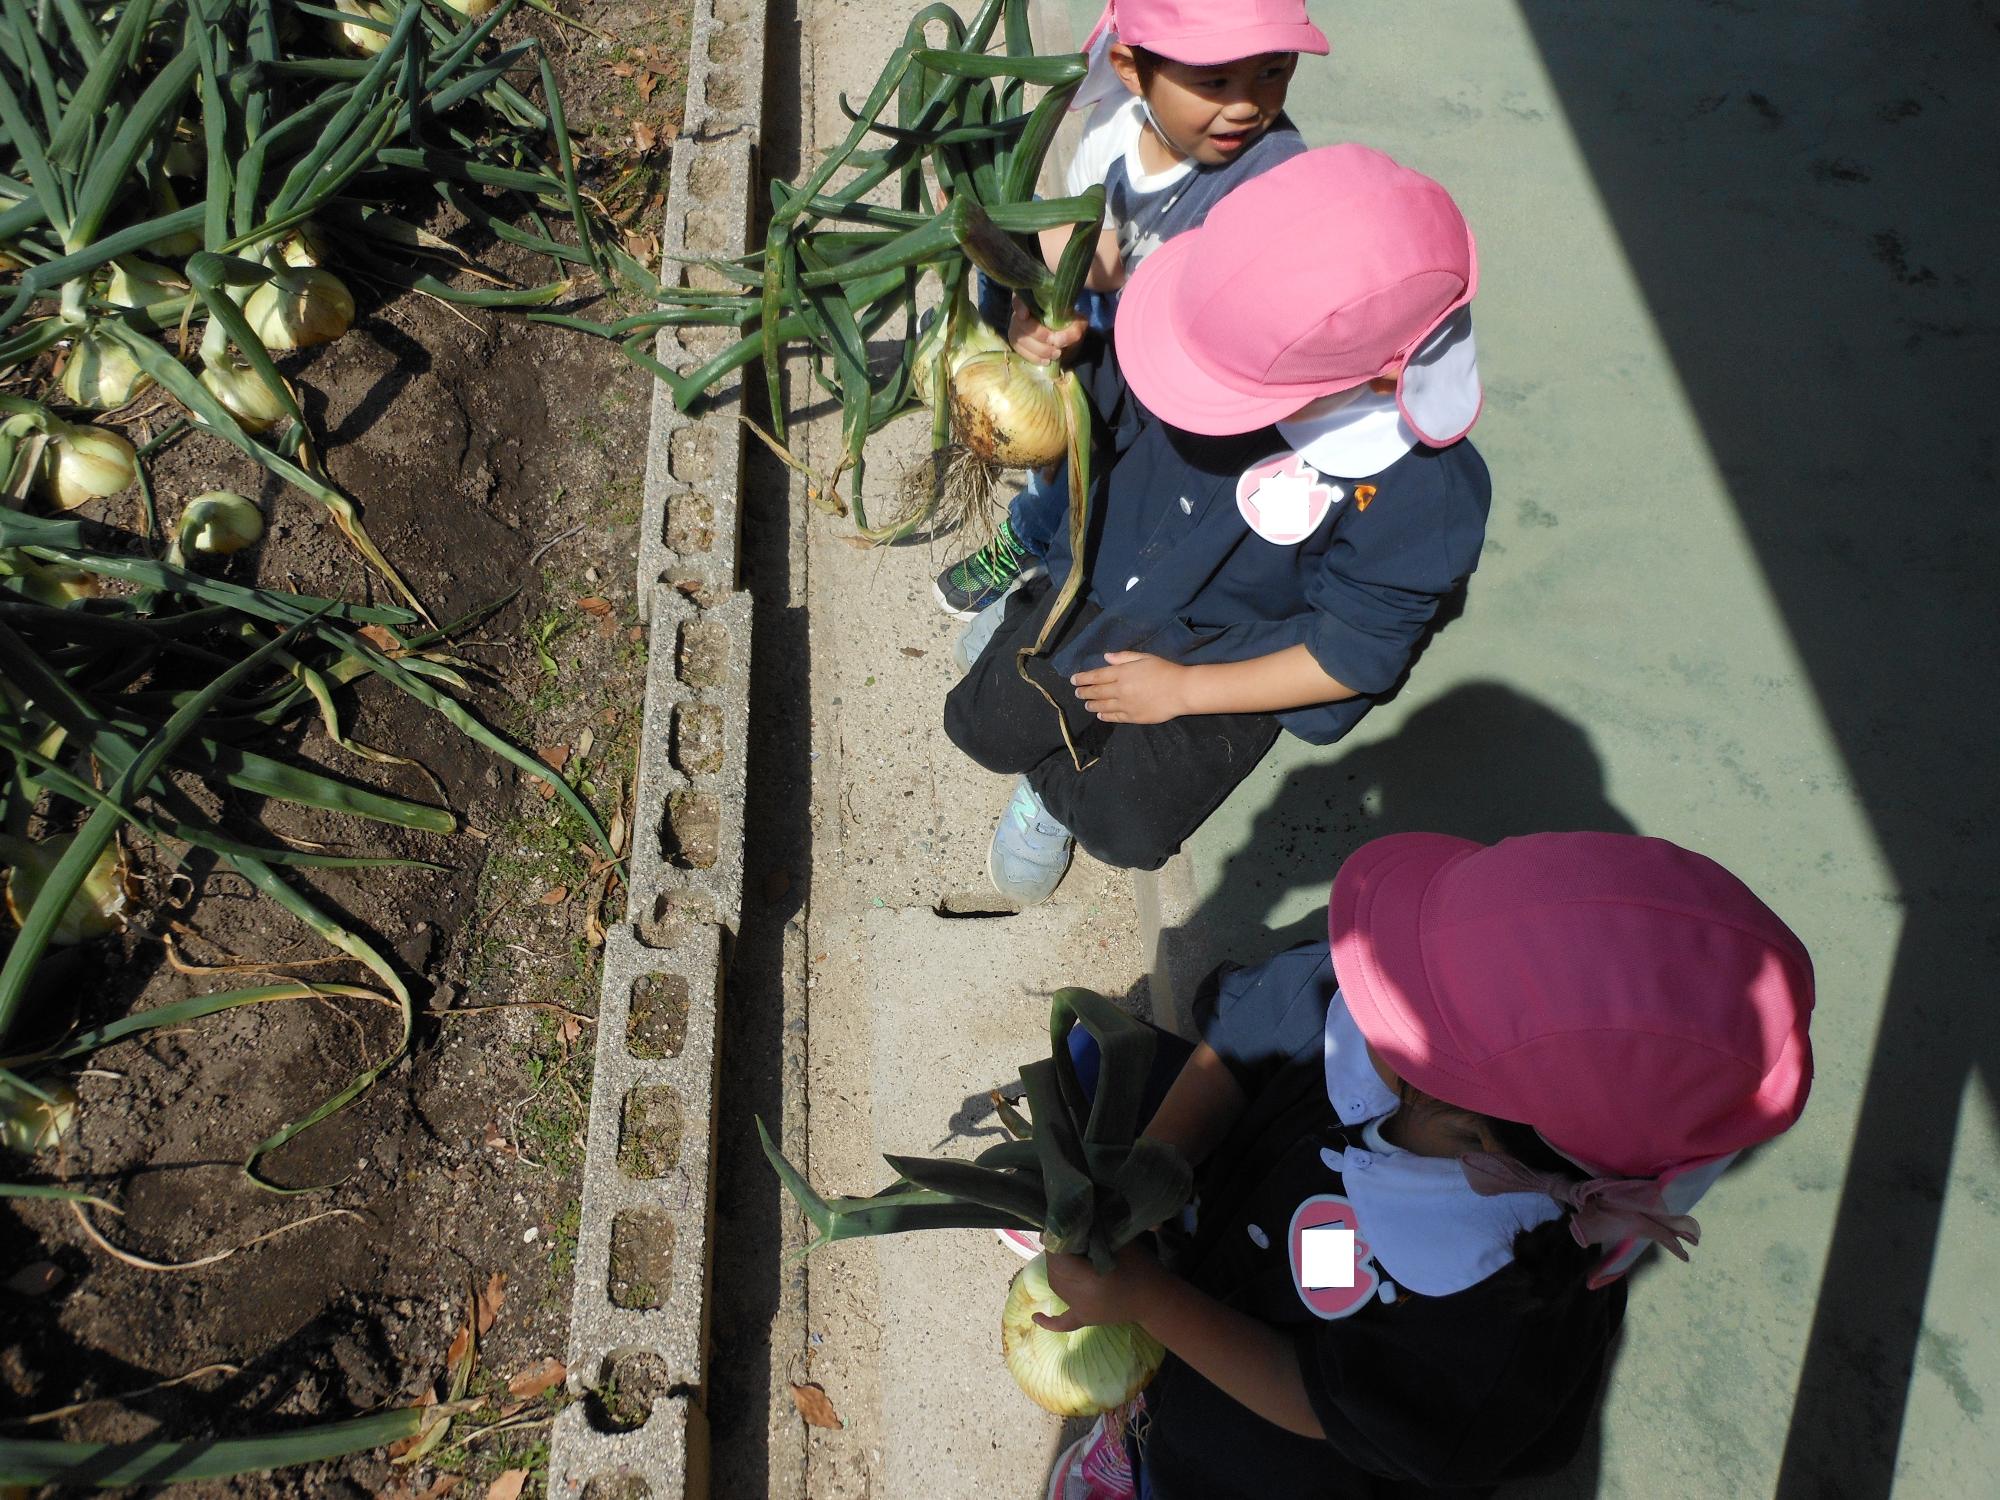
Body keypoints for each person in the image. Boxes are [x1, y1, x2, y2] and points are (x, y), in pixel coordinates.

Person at [1039, 831, 1816, 1499]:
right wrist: (1147, 1173)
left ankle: (1152, 1460)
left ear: (1474, 1134)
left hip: (1311, 1419)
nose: (1366, 977)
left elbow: (1319, 1400)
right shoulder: (1421, 978)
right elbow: (1245, 1043)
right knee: (1098, 1076)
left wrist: (1152, 1300)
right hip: (1253, 1223)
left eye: (1404, 998)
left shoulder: (1494, 1317)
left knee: (1222, 1448)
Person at [945, 145, 1490, 904]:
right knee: (985, 724)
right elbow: (1107, 408)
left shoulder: (1419, 495)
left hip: (1224, 661)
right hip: (1108, 577)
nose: (1195, 375)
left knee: (1123, 824)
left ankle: (1052, 798)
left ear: (1385, 373)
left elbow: (1351, 655)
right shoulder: (1218, 315)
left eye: (1227, 381)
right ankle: (1030, 615)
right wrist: (1047, 345)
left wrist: (1183, 693)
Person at [932, 0, 1326, 619]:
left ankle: (1047, 545)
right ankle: (1038, 525)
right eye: (1216, 81)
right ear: (1131, 69)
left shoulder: (1270, 179)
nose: (1248, 103)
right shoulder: (1116, 126)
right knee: (1055, 424)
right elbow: (1106, 254)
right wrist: (1029, 287)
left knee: (1108, 471)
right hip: (1124, 319)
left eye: (1274, 71)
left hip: (1187, 374)